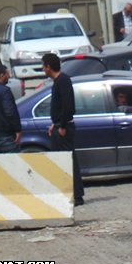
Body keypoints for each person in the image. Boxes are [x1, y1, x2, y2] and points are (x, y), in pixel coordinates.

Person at [41, 53, 85, 206]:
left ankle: (77, 195)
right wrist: (55, 123)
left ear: (48, 66)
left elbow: (68, 106)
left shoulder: (63, 81)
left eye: (43, 66)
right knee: (61, 161)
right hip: (59, 125)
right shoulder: (57, 82)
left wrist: (63, 126)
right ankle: (68, 192)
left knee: (69, 162)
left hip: (64, 128)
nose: (42, 69)